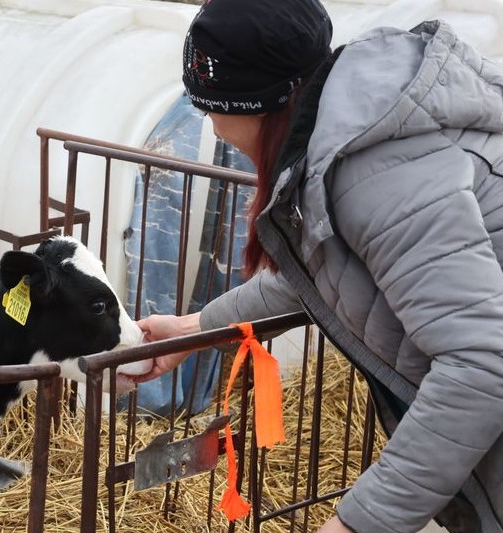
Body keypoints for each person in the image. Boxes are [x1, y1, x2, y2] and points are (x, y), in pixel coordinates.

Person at [132, 0, 503, 532]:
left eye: (208, 104)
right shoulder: (344, 134)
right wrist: (194, 329)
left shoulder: (373, 167)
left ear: (253, 103)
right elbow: (322, 272)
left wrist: (357, 523)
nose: (209, 125)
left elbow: (480, 363)